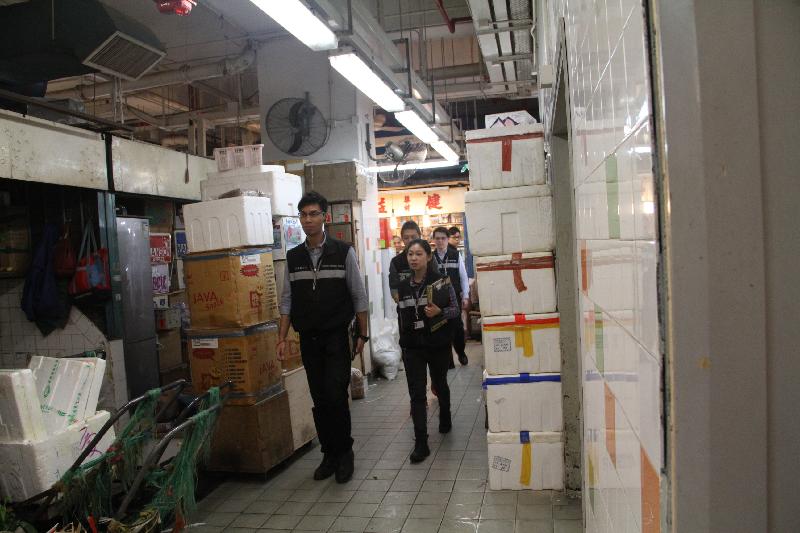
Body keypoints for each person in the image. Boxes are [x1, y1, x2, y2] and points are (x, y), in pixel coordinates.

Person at [276, 191, 369, 484]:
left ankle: (345, 454)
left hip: (337, 337)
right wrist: (281, 337)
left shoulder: (343, 252)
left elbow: (359, 296)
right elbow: (286, 302)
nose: (308, 220)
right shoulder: (293, 258)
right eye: (303, 215)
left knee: (335, 394)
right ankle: (328, 454)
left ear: (325, 218)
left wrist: (362, 335)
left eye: (314, 214)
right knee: (319, 397)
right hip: (309, 340)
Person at [397, 238, 459, 463]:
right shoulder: (403, 286)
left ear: (428, 257)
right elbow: (402, 315)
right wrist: (402, 341)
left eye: (418, 254)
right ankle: (421, 442)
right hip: (413, 346)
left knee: (439, 382)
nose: (413, 258)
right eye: (410, 254)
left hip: (437, 343)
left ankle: (445, 413)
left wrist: (439, 312)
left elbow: (455, 309)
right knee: (416, 392)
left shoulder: (441, 282)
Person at [432, 227, 470, 367]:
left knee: (457, 327)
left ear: (448, 239)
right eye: (437, 238)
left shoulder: (455, 255)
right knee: (442, 328)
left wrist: (465, 296)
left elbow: (463, 277)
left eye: (443, 238)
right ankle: (448, 360)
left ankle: (461, 352)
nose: (440, 241)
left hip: (454, 299)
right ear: (434, 240)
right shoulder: (431, 258)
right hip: (438, 300)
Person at [388, 220, 421, 303]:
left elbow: (436, 282)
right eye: (406, 238)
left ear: (419, 237)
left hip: (427, 309)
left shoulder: (429, 258)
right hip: (405, 309)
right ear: (402, 239)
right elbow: (394, 288)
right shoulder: (396, 261)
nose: (410, 240)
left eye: (413, 237)